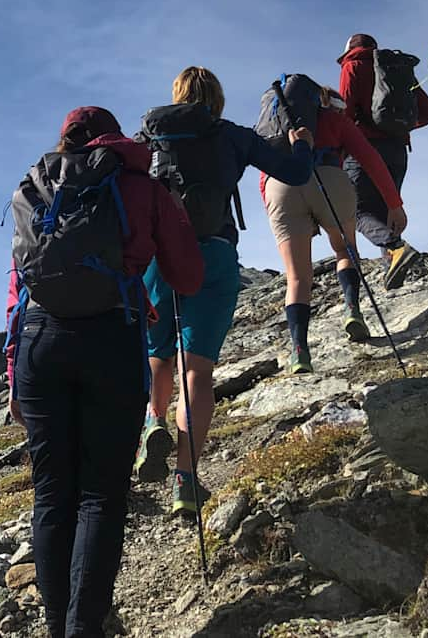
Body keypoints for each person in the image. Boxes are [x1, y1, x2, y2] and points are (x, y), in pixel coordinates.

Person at [4, 106, 203, 638]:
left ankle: (57, 627)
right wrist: (173, 213)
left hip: (38, 343)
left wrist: (11, 375)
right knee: (101, 494)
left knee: (51, 496)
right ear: (115, 138)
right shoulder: (143, 184)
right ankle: (84, 628)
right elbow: (187, 275)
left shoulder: (39, 187)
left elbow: (18, 287)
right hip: (112, 339)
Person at [132, 67, 316, 517]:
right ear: (217, 98)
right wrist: (302, 142)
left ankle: (154, 421)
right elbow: (294, 172)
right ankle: (185, 480)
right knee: (198, 371)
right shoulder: (230, 135)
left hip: (159, 256)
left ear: (175, 96)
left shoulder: (147, 139)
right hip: (213, 254)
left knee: (157, 355)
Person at [260, 83, 407, 374]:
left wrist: (271, 202)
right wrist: (394, 203)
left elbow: (264, 173)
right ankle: (352, 310)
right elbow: (370, 159)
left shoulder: (273, 128)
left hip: (280, 186)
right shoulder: (335, 121)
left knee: (297, 277)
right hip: (330, 178)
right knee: (345, 249)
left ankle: (299, 352)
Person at [337, 34, 428, 288]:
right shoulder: (395, 68)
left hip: (363, 149)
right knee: (387, 209)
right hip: (397, 150)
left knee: (356, 210)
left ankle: (397, 249)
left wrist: (343, 148)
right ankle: (392, 268)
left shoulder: (353, 64)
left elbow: (346, 112)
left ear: (350, 48)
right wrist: (398, 129)